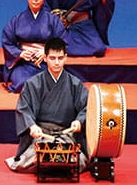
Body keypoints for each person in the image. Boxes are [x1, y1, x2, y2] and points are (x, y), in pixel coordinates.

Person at [6, 37, 89, 173]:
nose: (56, 62)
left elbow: (86, 107)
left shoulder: (75, 84)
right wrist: (32, 126)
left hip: (66, 135)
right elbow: (24, 109)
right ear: (45, 58)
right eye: (52, 58)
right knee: (38, 157)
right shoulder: (33, 84)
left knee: (73, 159)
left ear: (66, 58)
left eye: (60, 58)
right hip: (41, 135)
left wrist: (79, 121)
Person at [1, 0, 67, 93]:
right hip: (23, 64)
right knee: (24, 83)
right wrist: (20, 53)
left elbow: (62, 40)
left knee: (51, 83)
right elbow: (7, 41)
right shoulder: (17, 20)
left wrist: (47, 52)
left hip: (46, 62)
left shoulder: (53, 20)